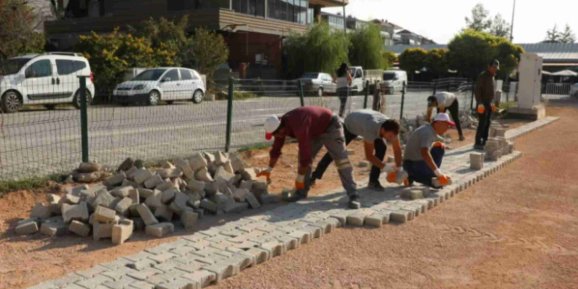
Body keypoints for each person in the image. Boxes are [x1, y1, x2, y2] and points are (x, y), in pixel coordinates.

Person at [259, 106, 360, 209]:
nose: (276, 137)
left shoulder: (298, 124)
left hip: (331, 126)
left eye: (276, 134)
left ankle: (353, 194)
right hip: (313, 130)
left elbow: (305, 153)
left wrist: (300, 177)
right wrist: (269, 169)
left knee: (341, 160)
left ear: (281, 128)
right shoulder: (280, 129)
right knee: (302, 161)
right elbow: (276, 149)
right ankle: (301, 192)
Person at [311, 109, 403, 191]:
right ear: (383, 130)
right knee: (336, 152)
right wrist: (386, 168)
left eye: (393, 136)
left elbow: (397, 150)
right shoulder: (370, 129)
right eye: (390, 136)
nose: (391, 139)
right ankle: (313, 177)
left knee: (382, 147)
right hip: (350, 124)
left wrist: (398, 168)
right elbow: (369, 156)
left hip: (364, 119)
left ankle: (373, 181)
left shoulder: (393, 129)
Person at [403, 113, 454, 188]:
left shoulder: (430, 129)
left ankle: (427, 174)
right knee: (435, 183)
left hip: (416, 161)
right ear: (438, 123)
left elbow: (425, 144)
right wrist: (438, 173)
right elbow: (424, 153)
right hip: (412, 164)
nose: (447, 128)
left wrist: (435, 144)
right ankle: (411, 175)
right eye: (446, 125)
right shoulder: (427, 133)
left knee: (439, 148)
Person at [474, 59, 500, 150]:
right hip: (482, 103)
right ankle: (478, 142)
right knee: (482, 122)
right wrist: (479, 103)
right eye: (493, 67)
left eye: (496, 67)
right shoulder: (483, 76)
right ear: (488, 66)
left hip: (489, 103)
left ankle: (484, 140)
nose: (495, 69)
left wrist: (493, 103)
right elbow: (477, 90)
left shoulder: (492, 77)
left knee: (488, 122)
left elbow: (492, 91)